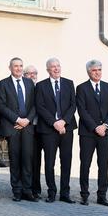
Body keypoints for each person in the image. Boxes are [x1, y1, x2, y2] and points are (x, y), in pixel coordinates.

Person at [35, 58, 77, 204]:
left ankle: (65, 193)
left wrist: (63, 121)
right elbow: (40, 107)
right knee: (49, 162)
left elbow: (73, 105)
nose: (56, 69)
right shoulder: (41, 86)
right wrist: (54, 123)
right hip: (48, 130)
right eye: (53, 67)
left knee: (66, 161)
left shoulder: (69, 83)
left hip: (67, 128)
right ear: (48, 70)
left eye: (58, 66)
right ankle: (51, 192)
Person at [0, 58, 38, 202]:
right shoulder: (3, 84)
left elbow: (35, 104)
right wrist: (17, 119)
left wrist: (27, 120)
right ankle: (17, 191)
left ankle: (27, 190)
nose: (19, 68)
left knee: (27, 159)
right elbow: (1, 106)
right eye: (16, 66)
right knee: (15, 160)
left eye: (21, 66)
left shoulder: (29, 83)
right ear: (10, 68)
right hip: (12, 127)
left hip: (27, 127)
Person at [76, 60, 108, 207]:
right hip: (88, 133)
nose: (97, 72)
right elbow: (82, 111)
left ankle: (102, 195)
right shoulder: (81, 88)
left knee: (103, 164)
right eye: (94, 70)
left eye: (99, 69)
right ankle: (84, 195)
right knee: (85, 164)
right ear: (88, 72)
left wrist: (105, 126)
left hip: (105, 132)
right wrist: (95, 127)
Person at [24, 65, 43, 199]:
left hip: (41, 128)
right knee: (27, 159)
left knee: (37, 160)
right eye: (29, 73)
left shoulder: (40, 87)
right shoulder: (24, 88)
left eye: (34, 73)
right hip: (26, 127)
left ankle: (36, 188)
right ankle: (26, 187)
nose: (32, 75)